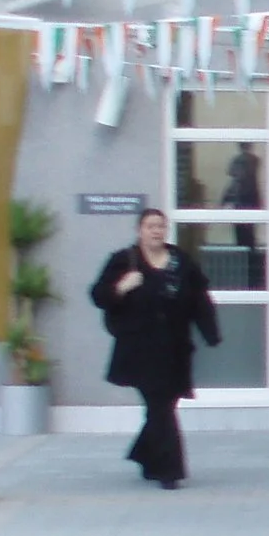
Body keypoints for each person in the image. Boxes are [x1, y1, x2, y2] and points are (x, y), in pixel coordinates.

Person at [91, 209, 221, 489]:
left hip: (175, 349)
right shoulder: (124, 261)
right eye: (150, 226)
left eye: (161, 226)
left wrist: (211, 333)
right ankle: (170, 471)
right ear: (140, 230)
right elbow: (98, 296)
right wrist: (121, 287)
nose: (156, 231)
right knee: (161, 407)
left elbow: (200, 298)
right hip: (139, 350)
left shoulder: (181, 261)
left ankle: (146, 456)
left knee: (162, 407)